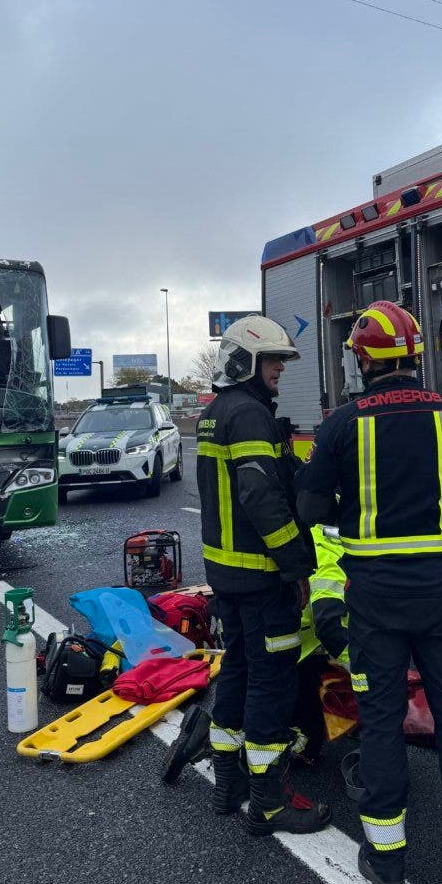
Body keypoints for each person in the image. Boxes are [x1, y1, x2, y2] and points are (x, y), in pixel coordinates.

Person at [298, 301, 442, 884]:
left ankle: (387, 865)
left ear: (363, 361)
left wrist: (357, 506)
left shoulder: (342, 425)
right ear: (415, 355)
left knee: (382, 721)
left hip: (374, 602)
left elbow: (310, 509)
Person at [197, 315, 331, 835]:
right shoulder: (249, 414)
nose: (280, 368)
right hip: (260, 576)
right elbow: (261, 498)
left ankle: (227, 787)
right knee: (271, 683)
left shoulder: (216, 412)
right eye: (272, 359)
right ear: (245, 362)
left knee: (237, 670)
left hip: (228, 576)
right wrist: (297, 566)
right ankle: (270, 803)